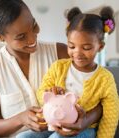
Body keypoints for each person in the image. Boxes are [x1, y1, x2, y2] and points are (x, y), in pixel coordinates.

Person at [0, 0, 102, 137]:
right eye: (21, 37)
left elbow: (101, 96)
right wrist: (20, 119)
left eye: (34, 25)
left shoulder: (60, 52)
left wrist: (85, 121)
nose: (32, 39)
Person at [32, 6, 119, 138]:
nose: (77, 53)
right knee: (24, 136)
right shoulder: (58, 67)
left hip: (86, 129)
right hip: (55, 124)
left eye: (86, 47)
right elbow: (41, 93)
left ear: (100, 46)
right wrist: (49, 93)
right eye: (71, 46)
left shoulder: (105, 78)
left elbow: (111, 115)